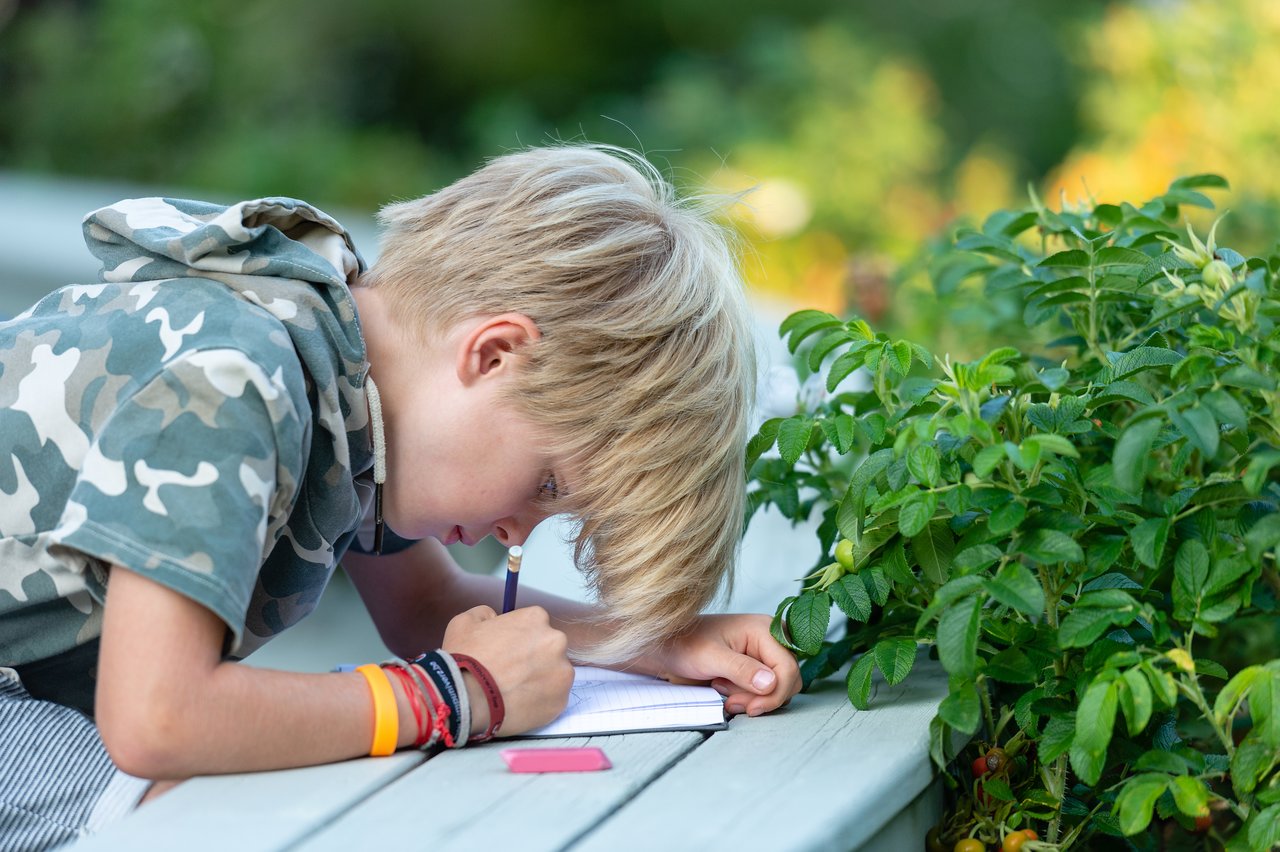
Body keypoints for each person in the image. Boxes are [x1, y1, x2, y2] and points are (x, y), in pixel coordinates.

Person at [0, 144, 801, 848]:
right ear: (495, 355)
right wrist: (457, 696)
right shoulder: (235, 380)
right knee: (190, 815)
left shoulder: (356, 389)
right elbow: (158, 718)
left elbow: (428, 609)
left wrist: (658, 644)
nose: (517, 533)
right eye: (545, 484)